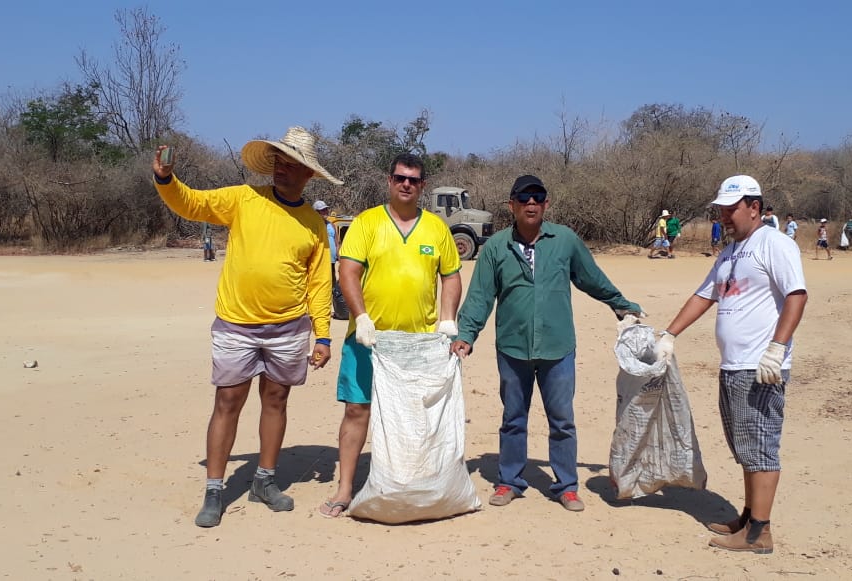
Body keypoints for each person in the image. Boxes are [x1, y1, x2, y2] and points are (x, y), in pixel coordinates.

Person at [151, 126, 340, 528]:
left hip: (289, 328)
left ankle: (264, 482)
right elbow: (192, 203)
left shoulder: (313, 223)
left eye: (292, 165)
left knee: (276, 401)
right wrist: (166, 178)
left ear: (309, 174)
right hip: (237, 325)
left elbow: (319, 284)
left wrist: (322, 335)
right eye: (279, 163)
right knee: (228, 401)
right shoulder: (244, 198)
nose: (282, 170)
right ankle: (214, 489)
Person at [452, 174, 644, 513]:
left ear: (546, 204)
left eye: (537, 197)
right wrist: (466, 334)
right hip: (512, 348)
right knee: (513, 418)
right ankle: (510, 481)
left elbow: (591, 278)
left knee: (562, 419)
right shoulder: (496, 247)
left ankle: (566, 486)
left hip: (558, 348)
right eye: (524, 198)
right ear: (511, 205)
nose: (531, 203)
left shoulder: (564, 240)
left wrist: (620, 304)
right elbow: (480, 296)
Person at [655, 174, 807, 554]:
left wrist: (777, 347)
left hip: (761, 366)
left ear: (754, 207)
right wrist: (669, 334)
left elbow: (797, 295)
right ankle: (749, 517)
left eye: (730, 209)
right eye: (721, 209)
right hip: (733, 366)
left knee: (761, 445)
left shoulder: (775, 244)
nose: (724, 216)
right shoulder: (729, 253)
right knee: (745, 445)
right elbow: (704, 296)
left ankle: (759, 533)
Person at [322, 153, 462, 518]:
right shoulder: (367, 223)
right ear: (389, 181)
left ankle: (411, 485)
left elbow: (450, 275)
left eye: (413, 180)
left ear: (422, 186)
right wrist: (361, 317)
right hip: (368, 340)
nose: (406, 184)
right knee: (357, 409)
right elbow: (348, 273)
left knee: (414, 417)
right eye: (400, 178)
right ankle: (345, 488)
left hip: (418, 345)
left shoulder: (436, 229)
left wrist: (448, 321)